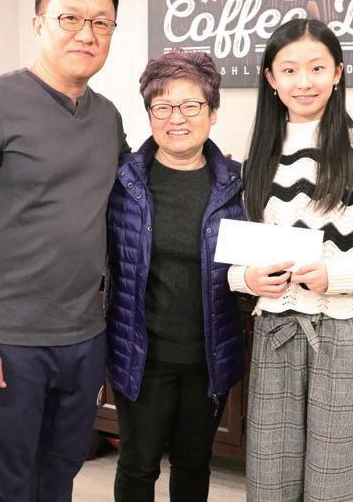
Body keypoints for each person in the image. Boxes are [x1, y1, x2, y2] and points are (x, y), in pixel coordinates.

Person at [0, 0, 127, 501]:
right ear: (39, 23)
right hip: (6, 341)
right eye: (70, 18)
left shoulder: (107, 117)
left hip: (83, 338)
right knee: (3, 487)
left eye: (101, 22)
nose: (86, 33)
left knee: (58, 477)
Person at [228, 19, 353, 502]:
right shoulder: (257, 157)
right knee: (269, 479)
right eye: (289, 70)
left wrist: (339, 275)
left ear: (337, 73)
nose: (304, 81)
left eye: (316, 68)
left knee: (334, 481)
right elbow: (236, 252)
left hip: (345, 332)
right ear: (271, 79)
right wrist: (247, 278)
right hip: (275, 331)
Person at [106, 50, 246, 502]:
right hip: (141, 357)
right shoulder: (123, 182)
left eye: (190, 105)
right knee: (137, 466)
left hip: (208, 357)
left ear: (213, 112)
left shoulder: (238, 185)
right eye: (162, 107)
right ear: (149, 114)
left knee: (193, 465)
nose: (176, 118)